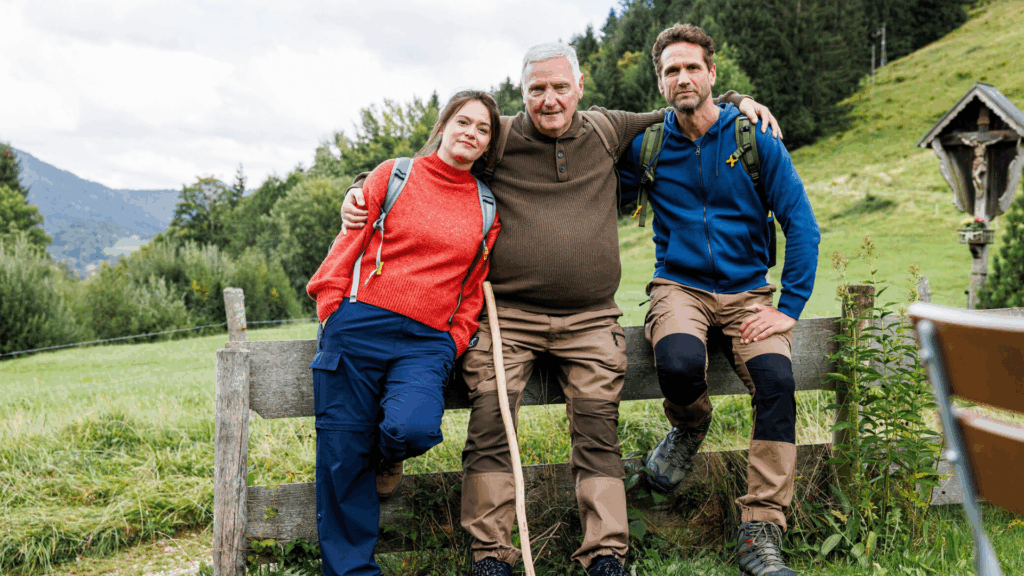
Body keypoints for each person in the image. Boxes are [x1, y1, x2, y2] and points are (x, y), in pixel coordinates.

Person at [340, 43, 780, 576]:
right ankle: (491, 554)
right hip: (511, 319)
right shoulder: (498, 136)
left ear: (579, 86)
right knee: (491, 421)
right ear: (521, 92)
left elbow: (684, 107)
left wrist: (737, 99)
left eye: (559, 88)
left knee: (598, 427)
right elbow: (439, 160)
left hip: (591, 318)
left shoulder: (606, 129)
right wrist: (360, 188)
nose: (549, 100)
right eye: (535, 90)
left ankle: (606, 553)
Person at [618, 24, 820, 576]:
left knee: (777, 383)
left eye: (691, 68)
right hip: (678, 286)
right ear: (660, 82)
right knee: (679, 361)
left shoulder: (754, 138)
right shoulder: (646, 144)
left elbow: (801, 224)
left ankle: (761, 529)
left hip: (748, 292)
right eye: (670, 71)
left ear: (712, 73)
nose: (682, 78)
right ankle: (689, 426)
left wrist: (789, 306)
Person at [306, 90, 502, 576]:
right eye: (463, 121)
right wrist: (331, 308)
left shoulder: (485, 205)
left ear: (488, 145)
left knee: (411, 426)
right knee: (342, 459)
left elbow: (473, 288)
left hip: (426, 342)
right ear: (443, 124)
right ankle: (352, 571)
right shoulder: (394, 175)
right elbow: (347, 246)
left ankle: (389, 455)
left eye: (482, 129)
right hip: (358, 326)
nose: (470, 133)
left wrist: (453, 340)